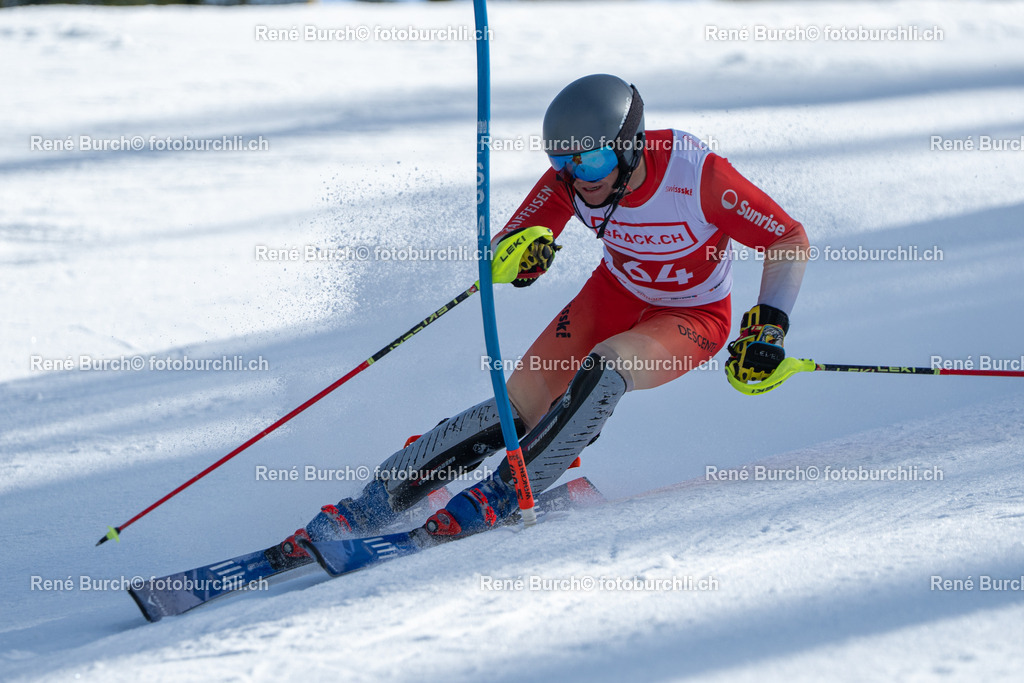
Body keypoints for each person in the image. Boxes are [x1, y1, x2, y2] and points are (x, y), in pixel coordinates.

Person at [280, 73, 809, 555]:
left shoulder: (697, 175)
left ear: (628, 144)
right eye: (564, 162)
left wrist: (770, 326)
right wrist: (520, 253)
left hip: (692, 316)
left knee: (606, 368)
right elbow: (509, 241)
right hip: (611, 296)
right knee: (518, 407)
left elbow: (787, 237)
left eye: (592, 160)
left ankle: (506, 492)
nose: (579, 177)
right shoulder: (571, 182)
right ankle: (379, 499)